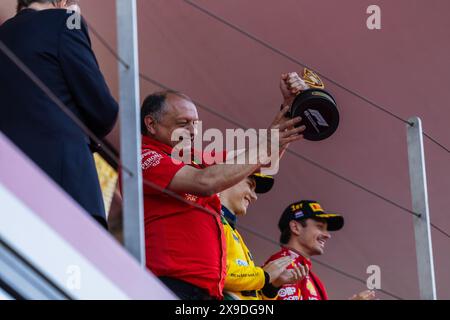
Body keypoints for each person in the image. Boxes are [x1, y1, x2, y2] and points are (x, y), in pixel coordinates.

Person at [139, 73, 307, 300]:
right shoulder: (143, 155)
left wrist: (291, 107)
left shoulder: (195, 158)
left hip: (207, 291)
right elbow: (205, 182)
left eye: (196, 124)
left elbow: (264, 160)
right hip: (169, 286)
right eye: (183, 123)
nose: (193, 131)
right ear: (151, 123)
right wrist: (269, 142)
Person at [0, 0, 118, 227]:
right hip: (64, 180)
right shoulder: (66, 21)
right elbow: (102, 109)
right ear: (62, 1)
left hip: (10, 184)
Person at [220, 173, 308, 300]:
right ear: (227, 178)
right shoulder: (209, 220)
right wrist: (264, 275)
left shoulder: (235, 235)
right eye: (250, 185)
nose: (254, 196)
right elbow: (214, 272)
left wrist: (272, 286)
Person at [265, 200, 376, 300]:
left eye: (326, 229)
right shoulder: (281, 265)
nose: (327, 235)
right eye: (320, 227)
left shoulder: (312, 277)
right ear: (295, 227)